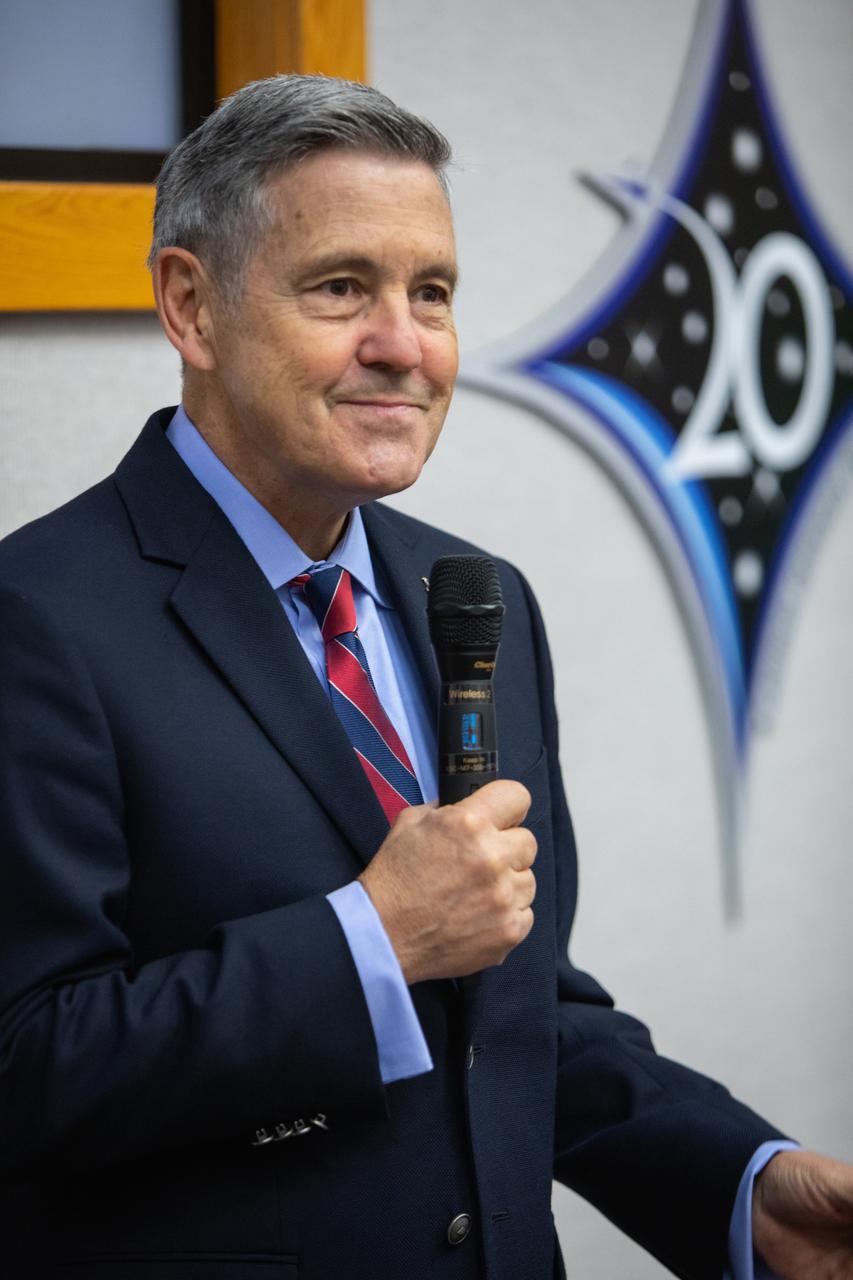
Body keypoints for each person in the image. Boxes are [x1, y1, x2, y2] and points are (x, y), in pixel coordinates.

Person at [0, 74, 851, 1280]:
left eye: (432, 293)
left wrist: (741, 1186)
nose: (403, 346)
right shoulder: (36, 618)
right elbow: (24, 1064)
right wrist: (370, 940)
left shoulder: (477, 592)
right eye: (342, 286)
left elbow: (514, 1011)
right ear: (192, 307)